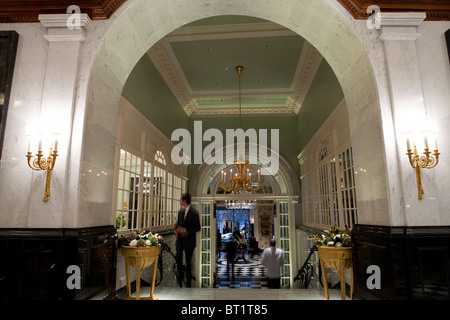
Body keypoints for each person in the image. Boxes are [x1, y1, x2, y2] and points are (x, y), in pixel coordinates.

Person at [174, 193, 200, 287]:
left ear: (184, 201)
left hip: (189, 241)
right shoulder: (180, 212)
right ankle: (180, 277)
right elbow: (178, 224)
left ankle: (188, 280)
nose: (179, 201)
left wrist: (186, 230)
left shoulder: (194, 213)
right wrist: (176, 229)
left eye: (180, 199)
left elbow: (198, 227)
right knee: (178, 257)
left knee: (188, 261)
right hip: (180, 240)